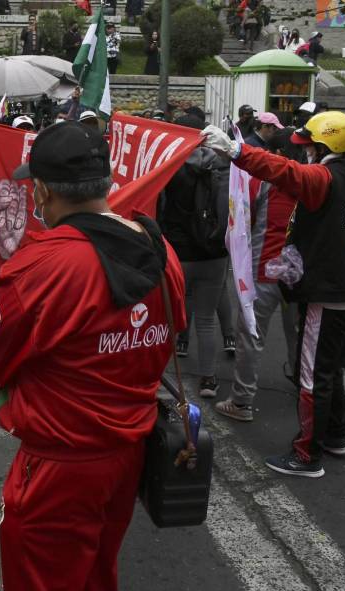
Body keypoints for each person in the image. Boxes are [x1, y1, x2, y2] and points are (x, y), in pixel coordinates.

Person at [0, 120, 186, 591]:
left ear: (40, 192)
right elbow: (172, 334)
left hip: (59, 463)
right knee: (96, 579)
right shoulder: (161, 249)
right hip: (128, 451)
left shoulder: (43, 266)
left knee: (41, 586)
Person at [203, 111, 345, 478]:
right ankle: (335, 434)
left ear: (323, 146)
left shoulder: (325, 178)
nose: (306, 153)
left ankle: (306, 455)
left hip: (332, 292)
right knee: (328, 367)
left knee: (313, 374)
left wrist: (235, 149)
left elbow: (286, 172)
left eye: (310, 146)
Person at [215, 127, 299, 422]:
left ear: (276, 154)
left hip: (264, 268)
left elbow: (241, 216)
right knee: (300, 334)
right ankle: (307, 389)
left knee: (251, 334)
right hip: (300, 273)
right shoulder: (317, 179)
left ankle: (241, 400)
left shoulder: (264, 181)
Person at [160, 114, 230, 398]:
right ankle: (209, 379)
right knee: (205, 318)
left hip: (179, 253)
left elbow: (161, 207)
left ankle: (162, 378)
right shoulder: (222, 165)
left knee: (169, 317)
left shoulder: (170, 165)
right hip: (214, 253)